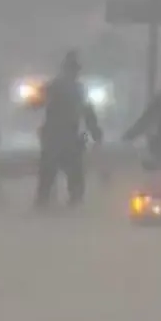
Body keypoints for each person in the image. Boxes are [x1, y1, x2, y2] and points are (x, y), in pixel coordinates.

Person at [35, 51, 104, 208]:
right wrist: (96, 133)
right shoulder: (71, 89)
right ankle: (63, 204)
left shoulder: (57, 87)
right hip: (64, 137)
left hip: (59, 137)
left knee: (54, 175)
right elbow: (88, 113)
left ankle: (46, 203)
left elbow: (37, 103)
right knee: (68, 175)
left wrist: (95, 131)